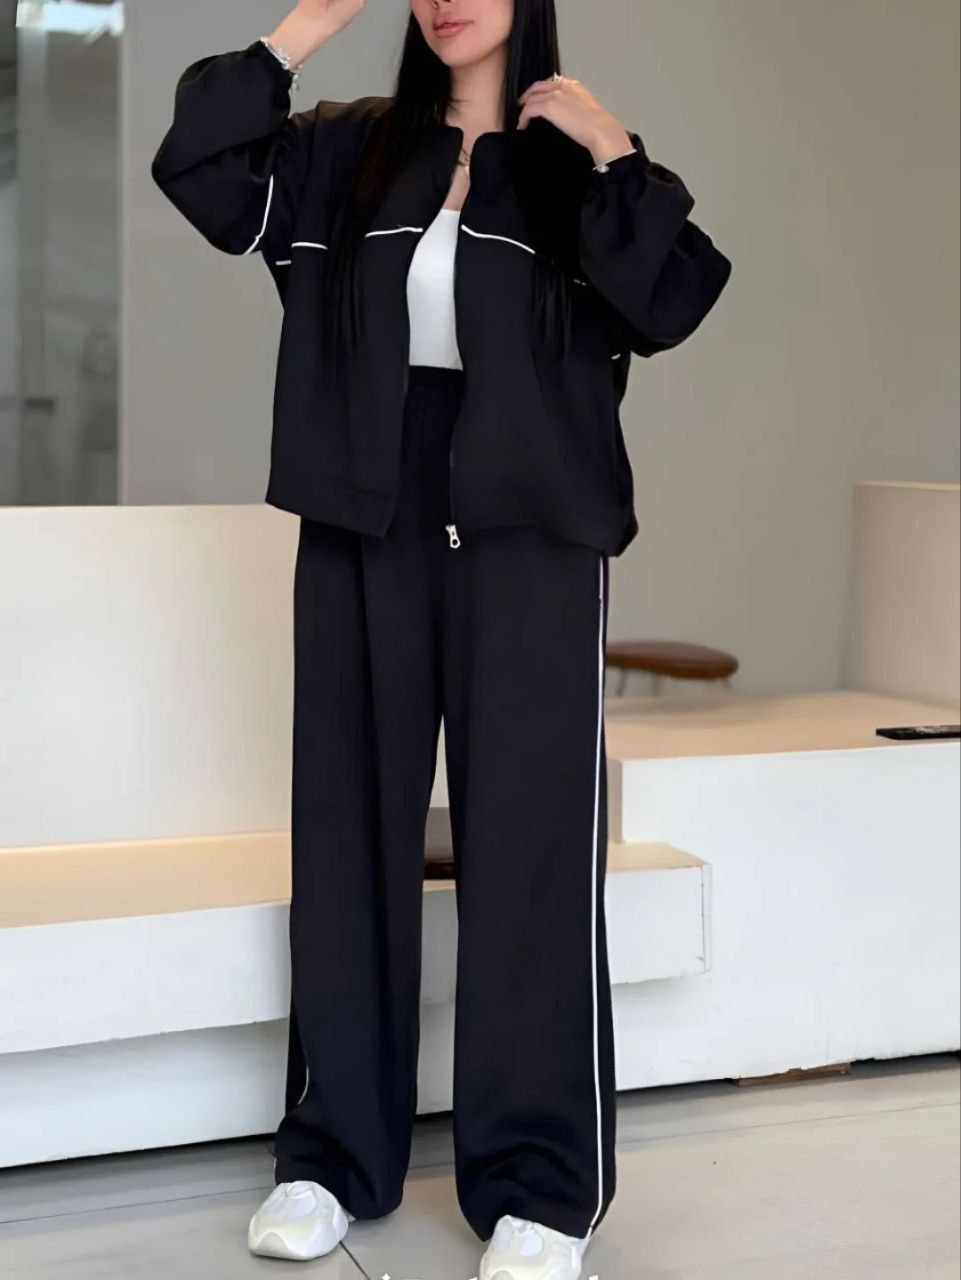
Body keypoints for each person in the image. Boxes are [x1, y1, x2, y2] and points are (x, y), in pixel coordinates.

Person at [151, 2, 732, 1275]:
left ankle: (540, 1188)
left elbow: (674, 295)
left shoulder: (573, 172)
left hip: (530, 529)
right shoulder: (343, 148)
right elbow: (197, 164)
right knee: (347, 831)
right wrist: (304, 26)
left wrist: (613, 144)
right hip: (365, 507)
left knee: (529, 849)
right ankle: (330, 1159)